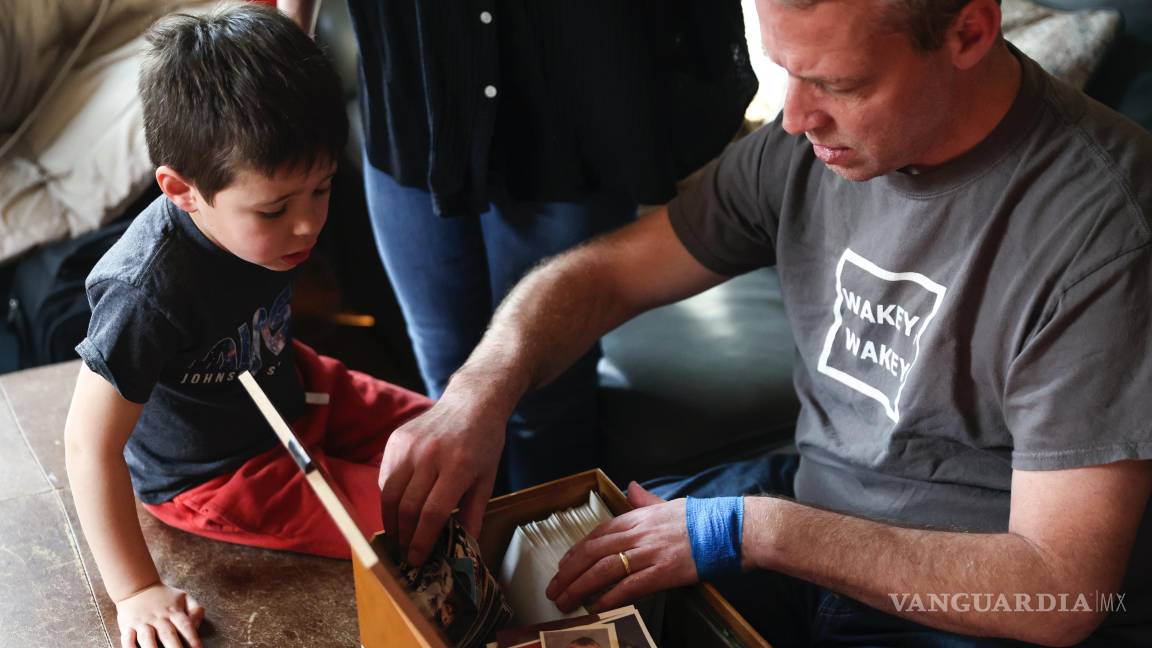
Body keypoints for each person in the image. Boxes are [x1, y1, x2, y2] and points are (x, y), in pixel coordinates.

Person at [374, 0, 1152, 644]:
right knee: (524, 605)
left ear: (970, 33)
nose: (794, 117)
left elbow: (1059, 591)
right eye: (784, 71)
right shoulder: (811, 144)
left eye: (834, 82)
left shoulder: (1104, 230)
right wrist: (481, 389)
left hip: (967, 603)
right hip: (802, 511)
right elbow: (607, 273)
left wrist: (754, 532)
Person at [63, 6, 430, 648]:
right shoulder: (144, 292)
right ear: (181, 190)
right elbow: (87, 445)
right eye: (275, 208)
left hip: (291, 382)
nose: (307, 225)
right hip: (221, 470)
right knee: (420, 524)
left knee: (445, 446)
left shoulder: (272, 196)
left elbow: (292, 31)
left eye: (322, 190)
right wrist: (135, 590)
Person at [279, 0, 757, 491]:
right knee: (445, 378)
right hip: (417, 80)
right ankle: (466, 557)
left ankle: (548, 557)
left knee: (547, 390)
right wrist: (289, 36)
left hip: (564, 97)